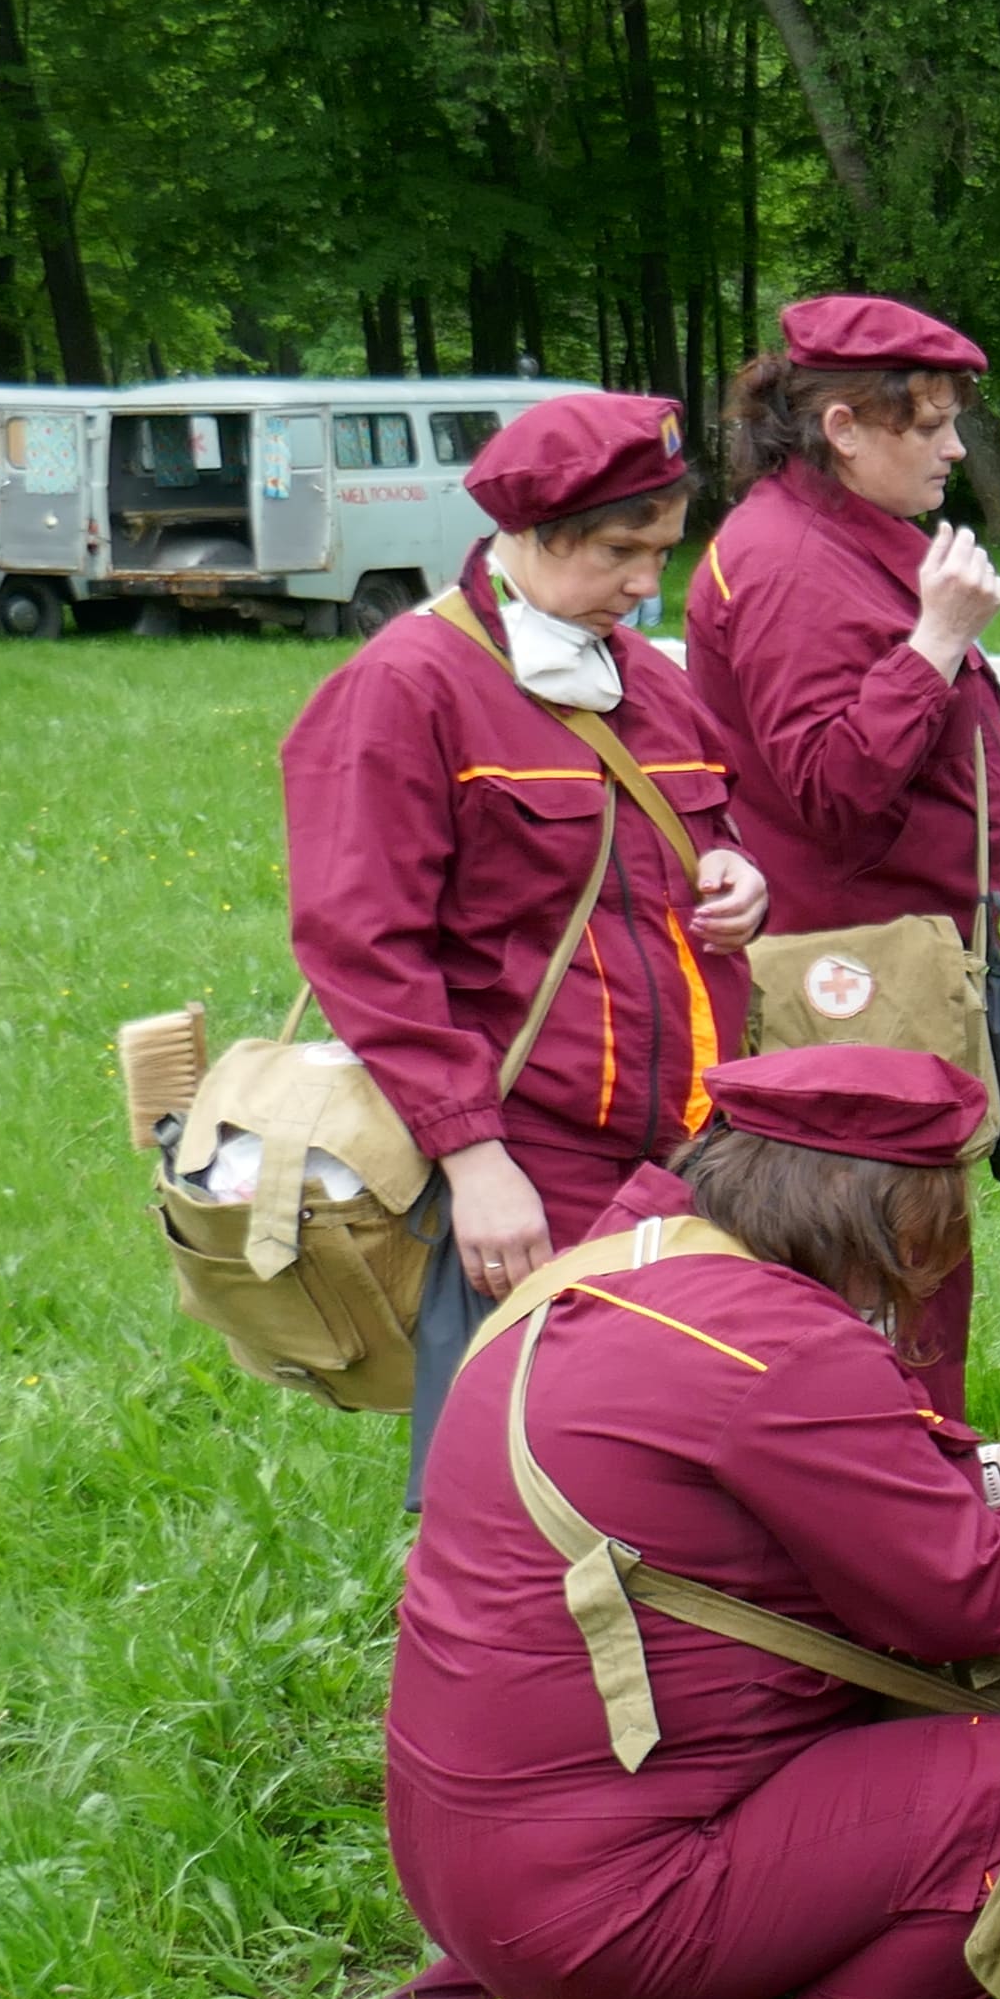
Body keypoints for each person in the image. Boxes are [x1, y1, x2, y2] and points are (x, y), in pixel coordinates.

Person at [365, 1047, 1000, 1999]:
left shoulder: (608, 1271)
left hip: (457, 1866)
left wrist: (995, 1469)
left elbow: (735, 1513)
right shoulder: (785, 1349)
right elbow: (971, 1596)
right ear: (884, 1217)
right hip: (599, 1914)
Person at [280, 389, 769, 1475]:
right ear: (529, 537)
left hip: (696, 1147)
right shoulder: (406, 686)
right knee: (529, 1468)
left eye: (662, 551)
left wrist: (739, 874)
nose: (647, 585)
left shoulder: (646, 676)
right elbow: (363, 947)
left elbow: (707, 823)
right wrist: (476, 1159)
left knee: (684, 1452)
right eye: (617, 553)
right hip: (533, 1155)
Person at [685, 293, 1000, 1419]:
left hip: (892, 955)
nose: (954, 447)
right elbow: (833, 791)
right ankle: (904, 1493)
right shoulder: (787, 561)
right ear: (842, 427)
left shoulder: (838, 536)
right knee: (881, 1263)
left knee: (905, 1251)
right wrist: (935, 643)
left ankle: (917, 1492)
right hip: (848, 983)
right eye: (926, 424)